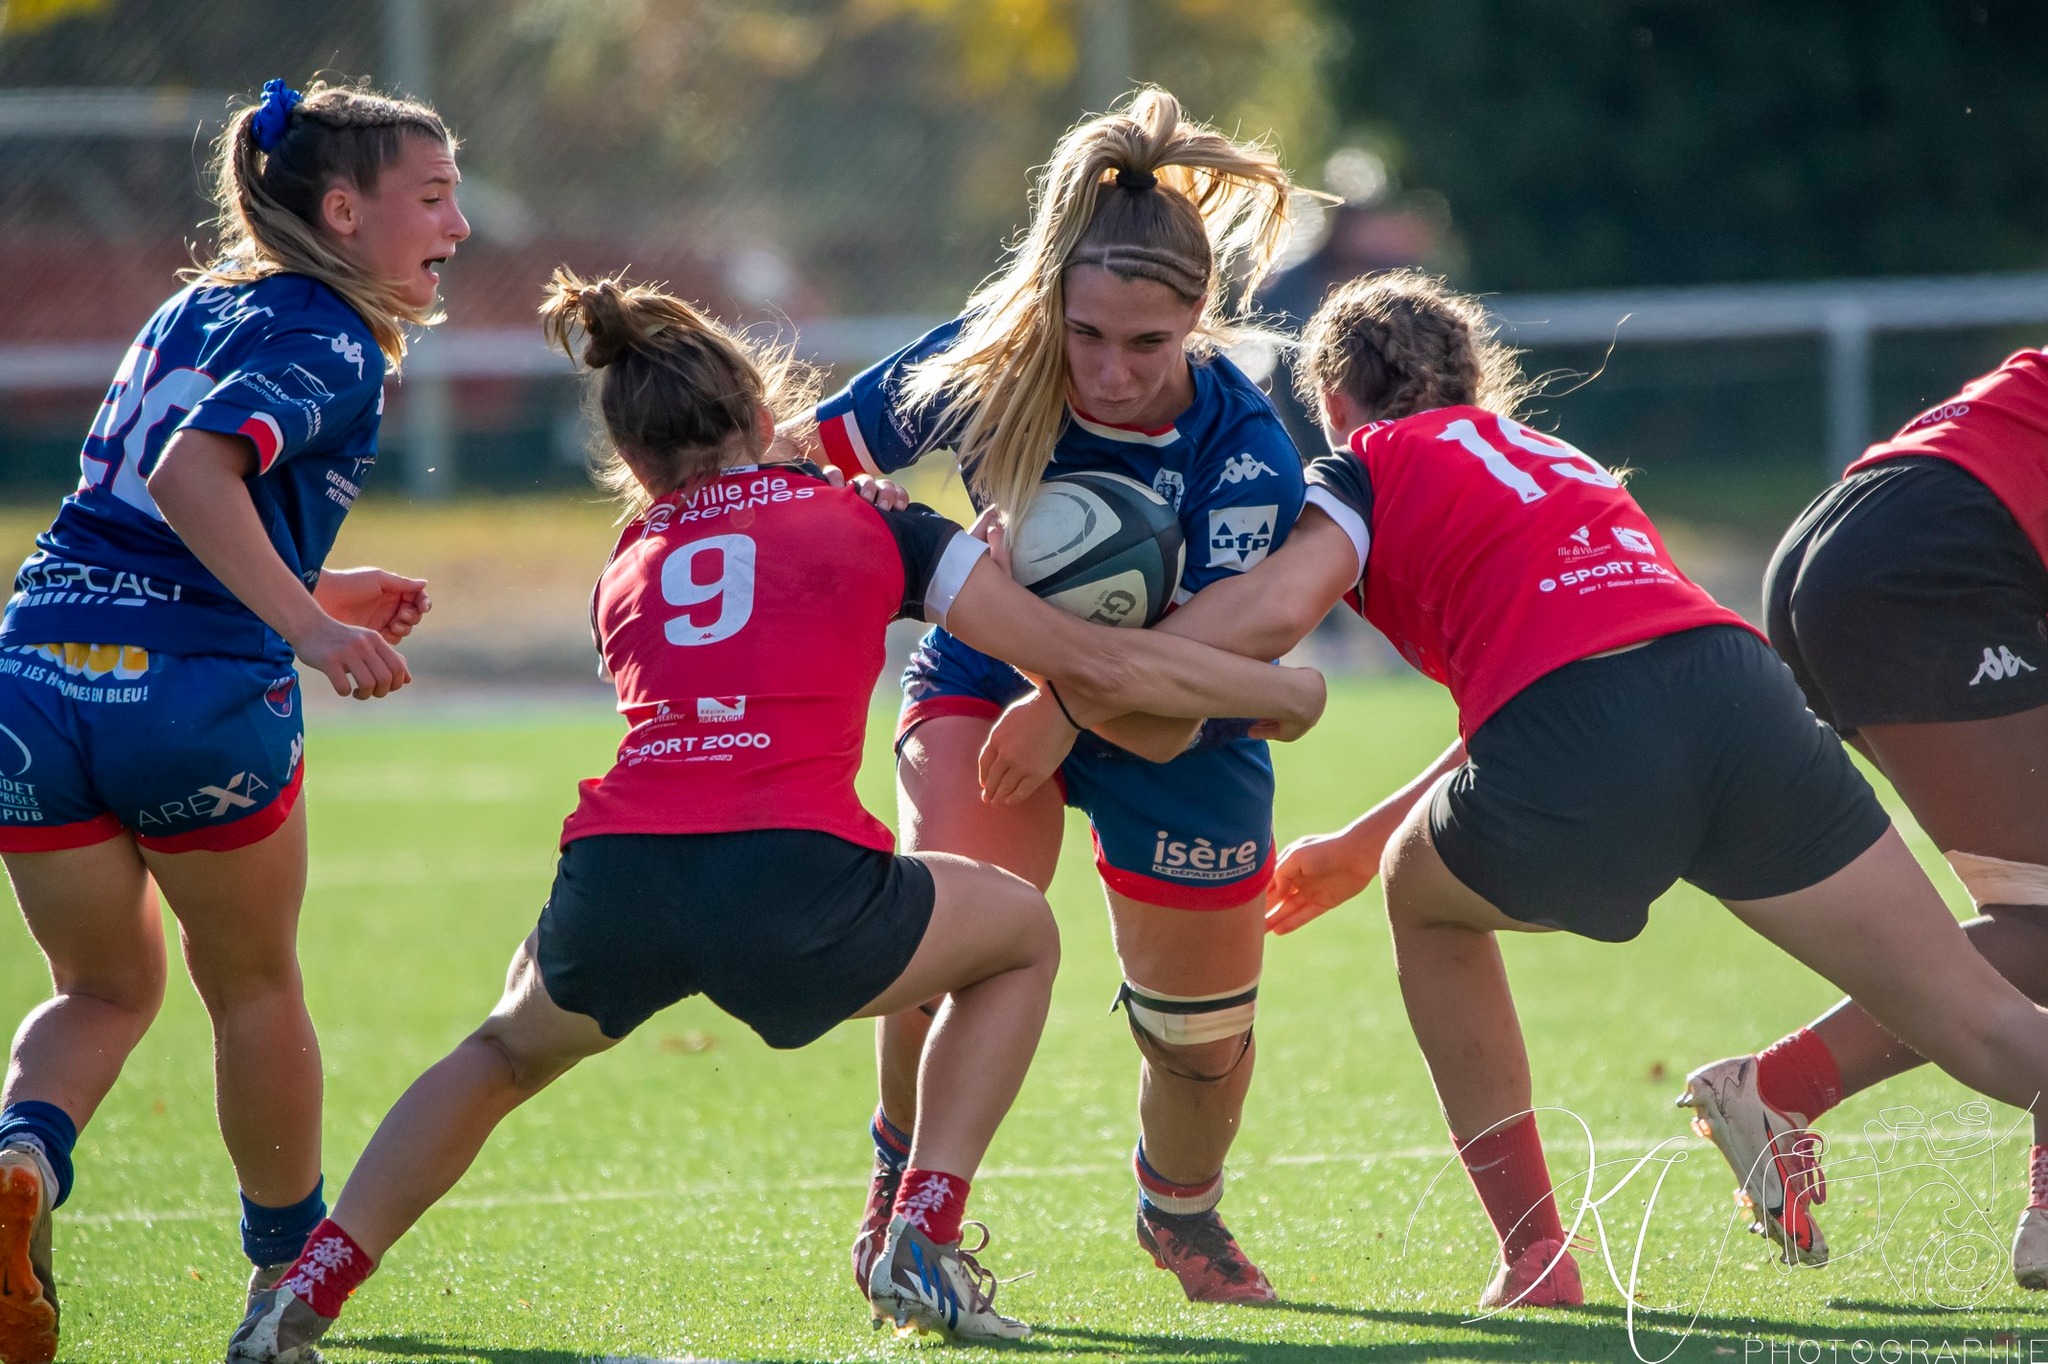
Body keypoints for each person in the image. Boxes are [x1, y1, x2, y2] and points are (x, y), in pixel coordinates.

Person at [226, 269, 1328, 1361]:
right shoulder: (875, 526)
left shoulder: (628, 561)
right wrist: (1279, 692)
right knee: (1018, 936)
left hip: (620, 870)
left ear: (630, 464)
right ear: (767, 415)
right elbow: (1084, 661)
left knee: (500, 1050)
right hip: (794, 882)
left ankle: (303, 1289)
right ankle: (923, 1231)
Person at [978, 268, 2048, 1310]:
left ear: (1335, 404)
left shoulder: (1366, 461)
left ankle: (1535, 1249)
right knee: (1987, 1025)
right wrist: (1357, 836)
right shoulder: (1554, 453)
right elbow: (1584, 661)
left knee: (1423, 893)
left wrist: (1074, 692)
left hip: (1589, 728)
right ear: (1477, 385)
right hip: (1739, 694)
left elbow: (1271, 612)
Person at [790, 85, 1305, 1305]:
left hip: (1174, 712)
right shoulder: (986, 360)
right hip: (985, 672)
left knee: (1196, 1042)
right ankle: (909, 1200)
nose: (1111, 370)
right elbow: (806, 462)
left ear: (1197, 322)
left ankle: (1178, 1209)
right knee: (950, 933)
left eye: (1147, 344)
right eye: (1085, 335)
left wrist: (1066, 707)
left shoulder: (1244, 455)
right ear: (1050, 303)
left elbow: (1181, 691)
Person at [0, 78, 460, 1364]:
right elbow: (189, 470)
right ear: (339, 209)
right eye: (431, 198)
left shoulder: (194, 303)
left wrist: (311, 583)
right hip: (194, 694)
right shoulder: (331, 339)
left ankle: (22, 1155)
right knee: (250, 985)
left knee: (99, 986)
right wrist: (309, 630)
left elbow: (145, 520)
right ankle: (279, 1286)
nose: (458, 226)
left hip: (34, 673)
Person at [1678, 349, 2048, 1285]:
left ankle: (1781, 1090)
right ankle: (1779, 1089)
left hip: (1848, 542)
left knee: (2040, 914)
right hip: (1929, 560)